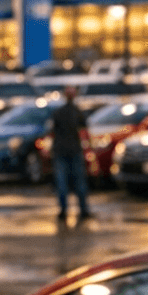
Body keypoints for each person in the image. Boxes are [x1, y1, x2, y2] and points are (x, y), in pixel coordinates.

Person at [49, 86, 92, 221]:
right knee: (79, 181)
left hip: (62, 150)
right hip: (73, 150)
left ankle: (64, 210)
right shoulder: (77, 112)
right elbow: (84, 130)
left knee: (62, 182)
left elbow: (52, 131)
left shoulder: (59, 112)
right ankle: (83, 210)